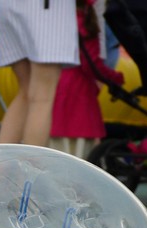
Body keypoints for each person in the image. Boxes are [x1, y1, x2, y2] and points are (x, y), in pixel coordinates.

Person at [0, 0, 79, 146]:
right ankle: (30, 166)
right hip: (46, 9)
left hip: (7, 7)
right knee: (42, 97)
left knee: (26, 93)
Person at [49, 0, 124, 159]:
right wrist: (116, 78)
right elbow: (92, 64)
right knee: (82, 146)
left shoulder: (58, 22)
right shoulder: (86, 24)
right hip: (79, 91)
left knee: (56, 140)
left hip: (56, 84)